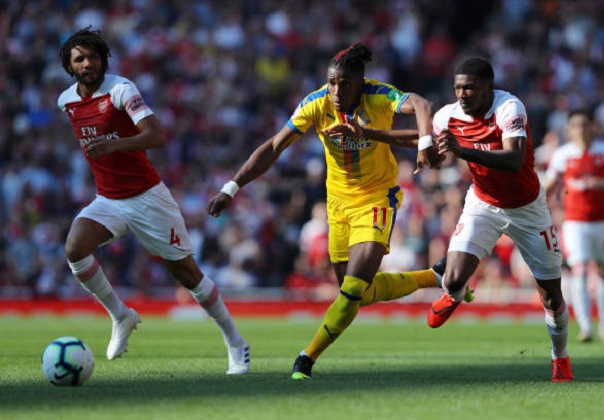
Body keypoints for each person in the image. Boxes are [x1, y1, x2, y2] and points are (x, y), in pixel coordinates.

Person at [207, 42, 456, 380]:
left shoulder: (379, 95)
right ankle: (433, 277)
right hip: (337, 205)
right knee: (357, 293)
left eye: (345, 84)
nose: (337, 91)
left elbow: (422, 104)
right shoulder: (316, 102)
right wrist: (231, 187)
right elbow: (274, 147)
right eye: (332, 82)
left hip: (376, 199)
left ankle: (306, 358)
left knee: (352, 290)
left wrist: (425, 142)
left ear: (361, 83)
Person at [57, 27, 249, 374]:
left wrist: (114, 144)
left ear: (103, 60)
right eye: (79, 59)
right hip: (109, 199)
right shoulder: (66, 101)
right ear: (69, 66)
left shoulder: (121, 89)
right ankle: (121, 315)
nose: (88, 63)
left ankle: (235, 342)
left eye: (93, 57)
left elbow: (156, 135)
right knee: (75, 248)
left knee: (188, 275)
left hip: (148, 198)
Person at [427, 57, 573, 382]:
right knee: (452, 278)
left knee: (551, 296)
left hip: (528, 209)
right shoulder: (447, 115)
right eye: (457, 87)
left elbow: (514, 159)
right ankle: (455, 293)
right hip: (483, 204)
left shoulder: (509, 108)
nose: (462, 94)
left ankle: (560, 357)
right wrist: (417, 146)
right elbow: (429, 139)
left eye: (469, 88)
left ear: (488, 87)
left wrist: (462, 150)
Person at [543, 110, 604, 343]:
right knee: (579, 270)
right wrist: (539, 209)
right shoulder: (563, 154)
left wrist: (602, 183)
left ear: (592, 127)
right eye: (576, 125)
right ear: (569, 130)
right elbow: (549, 185)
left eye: (584, 124)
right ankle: (586, 327)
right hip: (574, 223)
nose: (580, 130)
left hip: (601, 221)